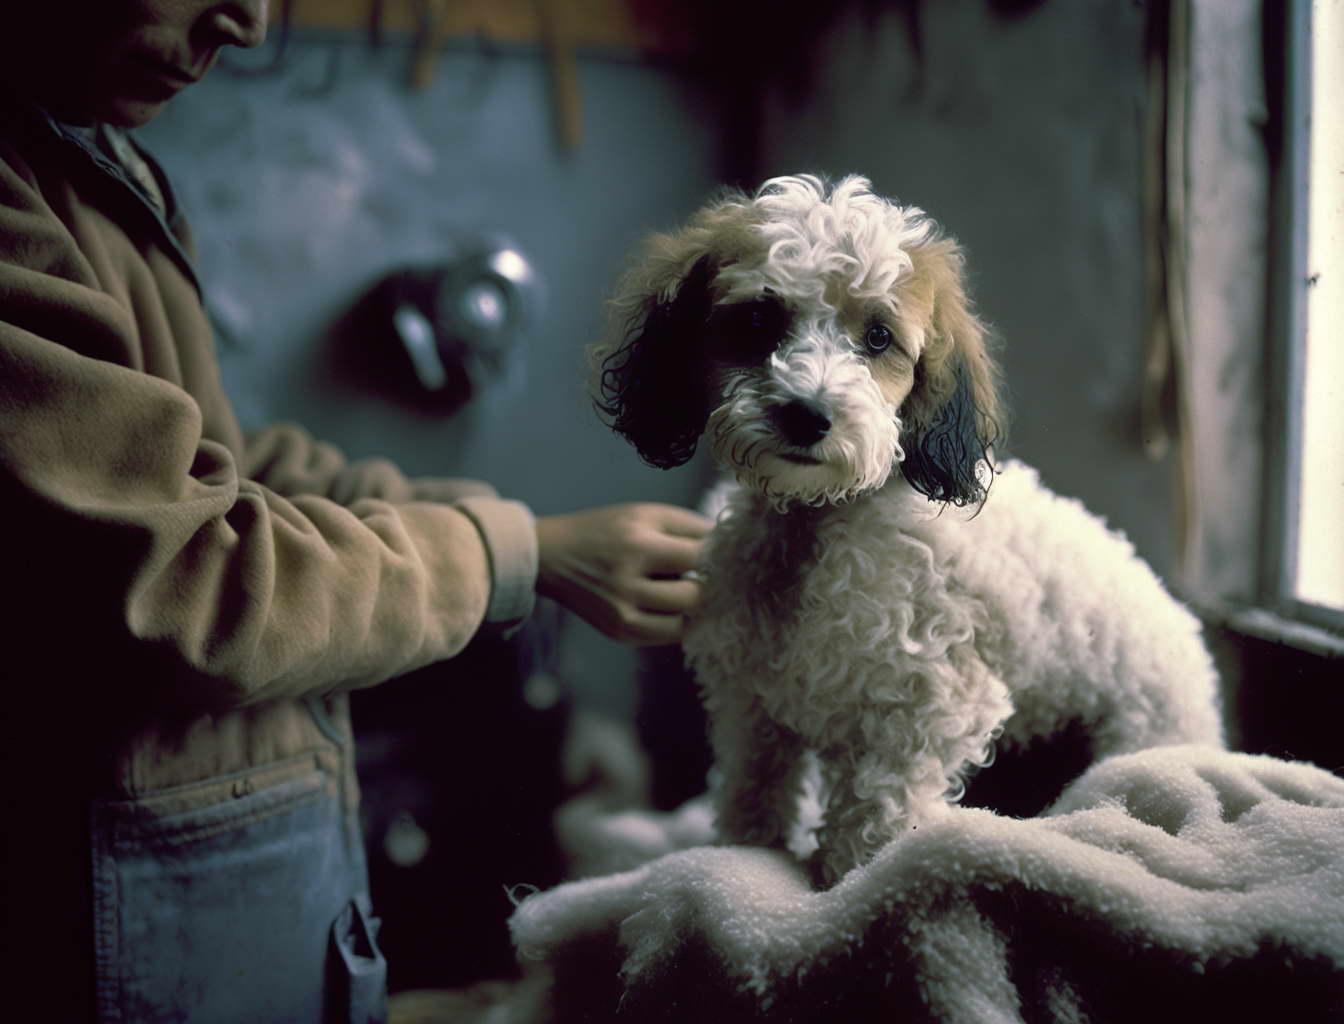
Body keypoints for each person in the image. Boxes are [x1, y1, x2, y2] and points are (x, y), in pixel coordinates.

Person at [0, 3, 710, 1020]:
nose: (243, 23)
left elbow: (222, 468)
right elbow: (192, 576)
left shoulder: (91, 163)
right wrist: (515, 553)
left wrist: (519, 538)